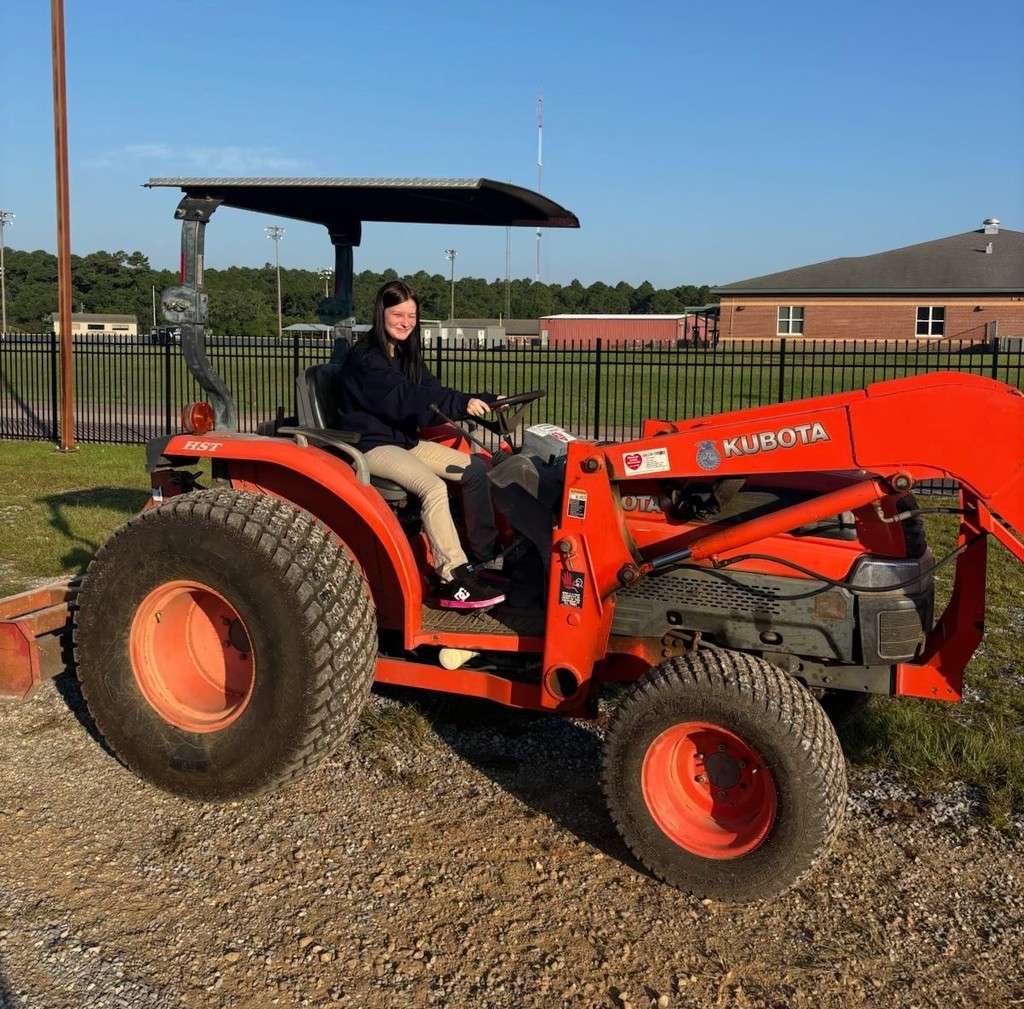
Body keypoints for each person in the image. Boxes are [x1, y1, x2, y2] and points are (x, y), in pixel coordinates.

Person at [336, 280, 506, 611]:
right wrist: (461, 403)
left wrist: (483, 404)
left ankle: (485, 557)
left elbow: (431, 391)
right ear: (381, 313)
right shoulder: (366, 358)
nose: (405, 322)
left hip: (404, 441)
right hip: (371, 446)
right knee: (433, 488)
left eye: (411, 315)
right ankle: (453, 577)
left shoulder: (404, 354)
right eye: (397, 314)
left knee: (475, 468)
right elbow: (407, 397)